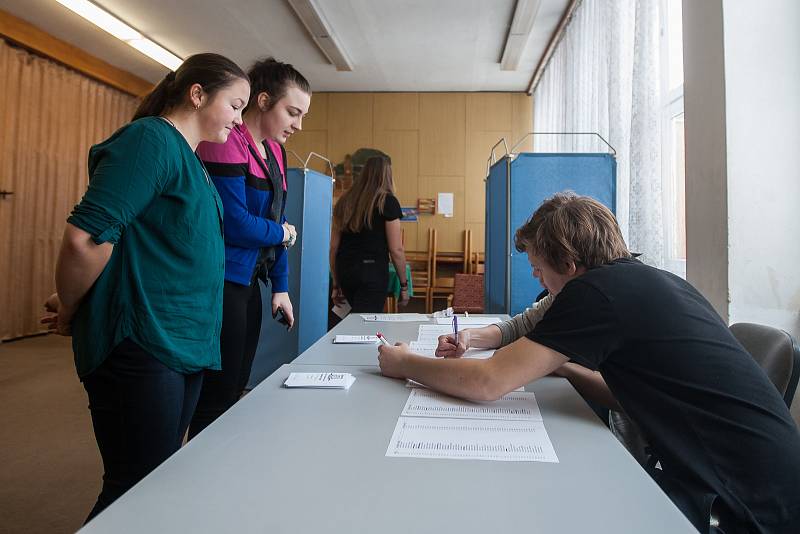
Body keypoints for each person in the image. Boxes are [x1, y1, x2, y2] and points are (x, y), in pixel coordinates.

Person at [378, 193, 800, 533]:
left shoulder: (593, 293)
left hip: (746, 501)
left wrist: (404, 363)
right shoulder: (647, 280)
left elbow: (488, 382)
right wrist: (560, 366)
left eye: (540, 269)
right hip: (771, 477)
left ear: (569, 263)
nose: (539, 282)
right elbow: (628, 396)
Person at [40, 53, 250, 521]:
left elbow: (146, 243)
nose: (239, 122)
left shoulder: (191, 161)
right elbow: (86, 238)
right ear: (197, 94)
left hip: (183, 341)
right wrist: (74, 306)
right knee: (132, 489)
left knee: (159, 481)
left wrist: (80, 293)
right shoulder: (150, 139)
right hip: (144, 339)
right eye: (235, 106)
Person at [187, 58, 311, 439]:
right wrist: (281, 234)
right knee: (215, 393)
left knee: (238, 383)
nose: (298, 125)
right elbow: (235, 224)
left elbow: (278, 220)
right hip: (221, 281)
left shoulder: (275, 152)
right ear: (262, 100)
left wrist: (281, 286)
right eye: (292, 112)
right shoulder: (226, 143)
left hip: (250, 281)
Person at [330, 156, 409, 313]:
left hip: (346, 271)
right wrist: (404, 285)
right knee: (364, 327)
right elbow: (396, 250)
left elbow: (333, 248)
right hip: (372, 273)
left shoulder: (344, 202)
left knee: (357, 322)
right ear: (387, 176)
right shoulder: (387, 202)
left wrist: (336, 284)